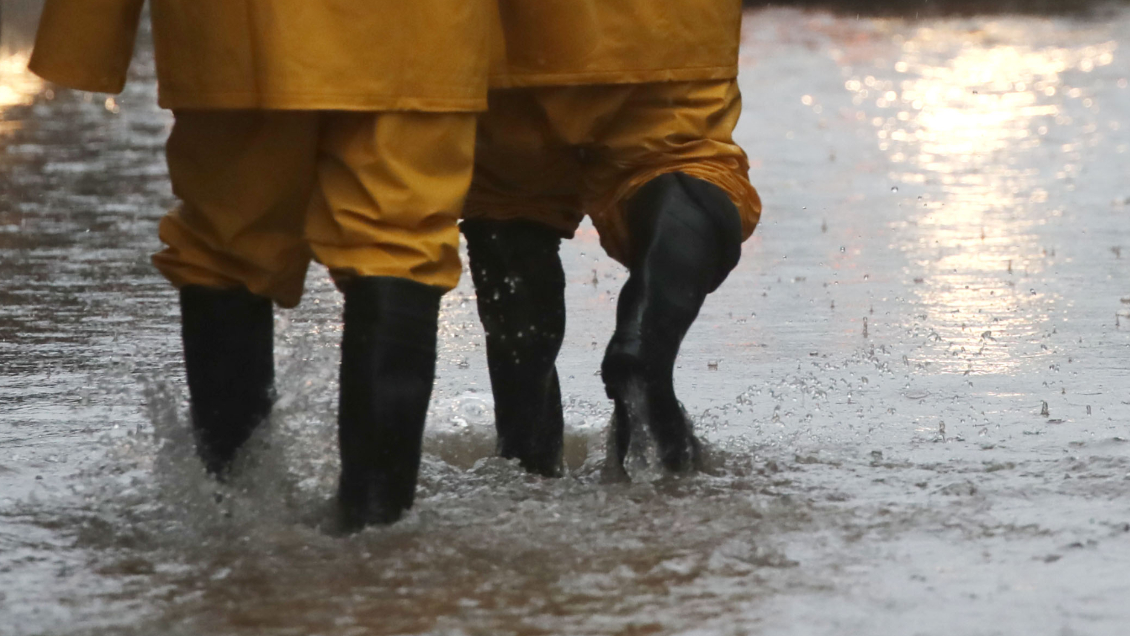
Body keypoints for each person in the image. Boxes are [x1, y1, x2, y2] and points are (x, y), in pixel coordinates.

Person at [29, 0, 494, 528]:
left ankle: (233, 518)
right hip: (421, 28)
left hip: (234, 26)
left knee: (227, 241)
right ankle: (376, 528)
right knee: (399, 239)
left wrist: (86, 37)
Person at [462, 0, 762, 477]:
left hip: (502, 36)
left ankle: (522, 465)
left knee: (507, 207)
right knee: (683, 159)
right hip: (663, 29)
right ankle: (645, 346)